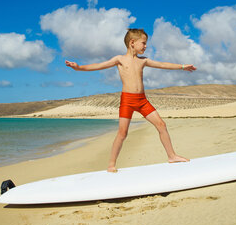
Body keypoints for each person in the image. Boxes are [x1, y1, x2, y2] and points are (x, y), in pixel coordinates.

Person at [65, 28, 196, 172]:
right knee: (122, 133)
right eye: (144, 43)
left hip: (142, 100)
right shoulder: (119, 59)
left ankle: (172, 156)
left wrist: (182, 67)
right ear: (132, 42)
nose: (146, 46)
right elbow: (97, 66)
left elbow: (163, 64)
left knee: (161, 125)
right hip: (127, 100)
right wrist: (79, 68)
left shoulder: (143, 61)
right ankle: (111, 164)